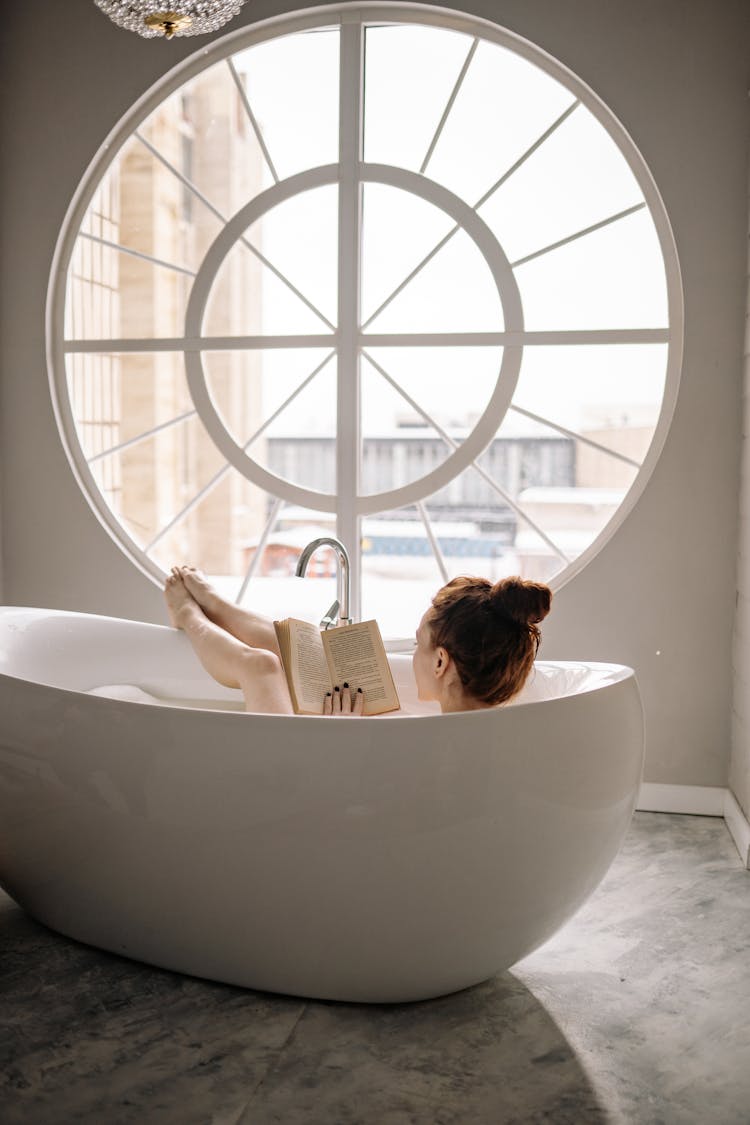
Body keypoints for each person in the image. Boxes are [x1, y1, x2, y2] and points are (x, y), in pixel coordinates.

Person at [164, 566, 551, 716]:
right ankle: (217, 605)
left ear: (440, 663)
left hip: (284, 784)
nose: (414, 655)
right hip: (331, 763)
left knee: (260, 666)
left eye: (419, 644)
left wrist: (339, 743)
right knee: (309, 650)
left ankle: (188, 616)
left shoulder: (444, 740)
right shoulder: (493, 720)